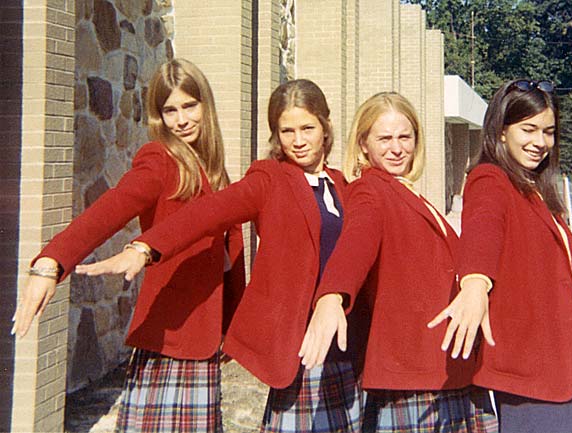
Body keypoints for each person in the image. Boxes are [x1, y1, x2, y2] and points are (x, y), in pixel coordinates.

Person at [75, 79, 368, 433]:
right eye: (287, 131)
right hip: (302, 346)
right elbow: (208, 213)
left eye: (307, 128)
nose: (299, 140)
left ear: (326, 127)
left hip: (348, 343)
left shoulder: (344, 186)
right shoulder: (270, 178)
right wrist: (145, 247)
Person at [12, 58, 246, 433]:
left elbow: (230, 258)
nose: (181, 119)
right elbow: (112, 207)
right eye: (170, 110)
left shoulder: (214, 171)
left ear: (206, 106)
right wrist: (52, 262)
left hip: (203, 335)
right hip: (170, 337)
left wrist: (231, 327)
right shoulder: (162, 161)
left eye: (189, 106)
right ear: (159, 117)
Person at [298, 92, 497, 433]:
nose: (396, 148)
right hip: (413, 374)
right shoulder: (370, 190)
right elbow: (355, 242)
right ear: (363, 145)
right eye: (384, 138)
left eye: (405, 137)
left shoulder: (408, 191)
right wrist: (332, 295)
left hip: (448, 366)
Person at [429, 79, 572, 433]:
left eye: (548, 131)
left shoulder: (535, 189)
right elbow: (483, 230)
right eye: (528, 129)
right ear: (500, 132)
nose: (540, 142)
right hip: (534, 369)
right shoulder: (489, 179)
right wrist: (475, 284)